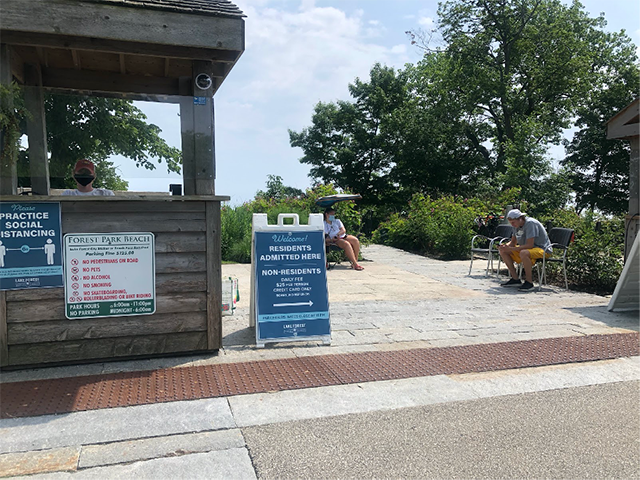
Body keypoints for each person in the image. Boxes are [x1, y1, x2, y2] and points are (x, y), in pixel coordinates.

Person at [497, 209, 551, 291]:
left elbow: (530, 245)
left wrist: (513, 248)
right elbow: (513, 243)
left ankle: (529, 282)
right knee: (503, 251)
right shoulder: (515, 226)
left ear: (520, 219)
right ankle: (515, 279)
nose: (512, 224)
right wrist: (505, 246)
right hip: (527, 249)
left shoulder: (530, 223)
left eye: (513, 222)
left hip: (542, 249)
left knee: (524, 252)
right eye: (511, 222)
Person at [323, 207, 364, 271]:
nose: (333, 216)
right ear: (327, 214)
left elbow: (343, 229)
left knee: (355, 240)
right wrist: (332, 239)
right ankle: (355, 264)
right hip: (334, 240)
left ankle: (355, 261)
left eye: (334, 214)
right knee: (346, 244)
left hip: (342, 236)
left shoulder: (337, 221)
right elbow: (325, 236)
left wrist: (339, 234)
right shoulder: (324, 224)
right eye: (332, 215)